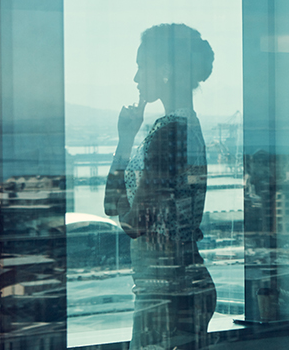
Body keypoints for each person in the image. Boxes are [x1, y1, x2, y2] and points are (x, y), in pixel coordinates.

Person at [104, 23, 216, 350]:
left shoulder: (166, 135)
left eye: (141, 65)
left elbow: (129, 221)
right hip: (178, 287)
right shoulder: (186, 128)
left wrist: (124, 142)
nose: (136, 78)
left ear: (165, 70)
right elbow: (118, 209)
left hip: (166, 294)